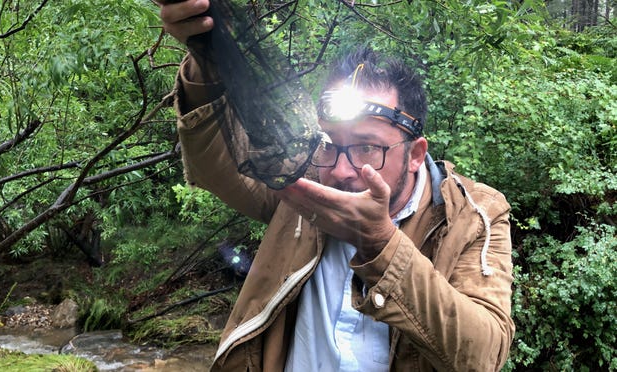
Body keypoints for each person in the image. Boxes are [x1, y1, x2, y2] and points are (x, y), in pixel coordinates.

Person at [159, 1, 515, 370]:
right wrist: (205, 55)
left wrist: (381, 244)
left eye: (367, 147)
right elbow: (218, 165)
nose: (342, 170)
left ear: (414, 154)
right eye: (329, 143)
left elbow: (483, 354)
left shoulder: (472, 214)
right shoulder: (305, 181)